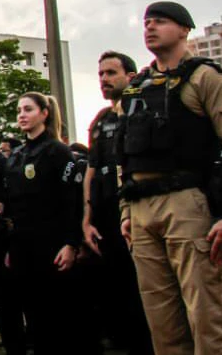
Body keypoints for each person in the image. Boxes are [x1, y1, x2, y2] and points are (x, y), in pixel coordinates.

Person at [118, 2, 222, 355]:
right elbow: (124, 155)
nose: (150, 27)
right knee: (163, 328)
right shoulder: (137, 87)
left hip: (187, 202)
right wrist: (126, 211)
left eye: (161, 21)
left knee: (207, 322)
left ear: (185, 29)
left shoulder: (205, 78)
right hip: (141, 208)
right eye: (146, 22)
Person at [0, 93, 81, 355]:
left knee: (56, 317)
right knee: (32, 316)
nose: (21, 115)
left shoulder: (57, 151)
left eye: (28, 109)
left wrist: (71, 243)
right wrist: (12, 248)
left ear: (44, 113)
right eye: (19, 110)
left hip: (52, 244)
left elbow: (72, 201)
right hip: (23, 246)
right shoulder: (18, 155)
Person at [81, 51, 153, 355]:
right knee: (116, 294)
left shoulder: (144, 112)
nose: (104, 80)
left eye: (111, 73)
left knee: (146, 295)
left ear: (131, 76)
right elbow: (91, 171)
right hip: (108, 220)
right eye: (100, 74)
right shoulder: (101, 120)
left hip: (140, 214)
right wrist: (86, 218)